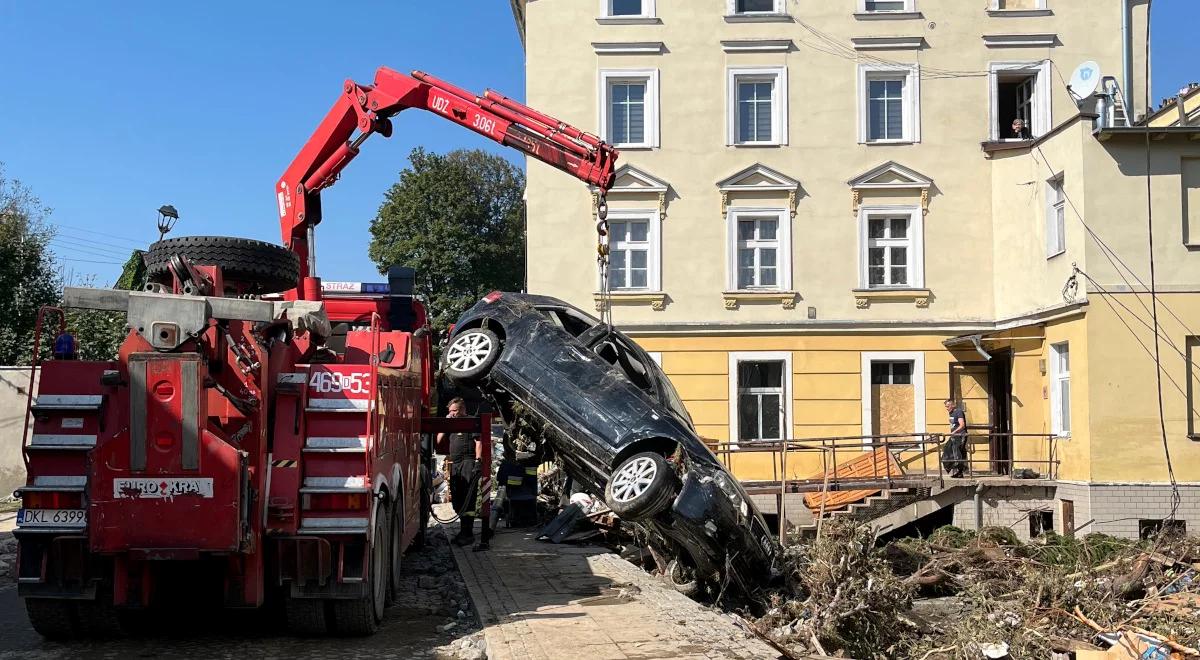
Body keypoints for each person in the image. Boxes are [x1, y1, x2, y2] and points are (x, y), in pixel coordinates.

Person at [438, 397, 481, 546]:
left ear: (462, 409)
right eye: (450, 411)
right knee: (457, 498)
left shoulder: (470, 421)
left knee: (467, 498)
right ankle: (463, 531)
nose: (452, 414)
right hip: (455, 464)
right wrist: (445, 424)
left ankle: (467, 533)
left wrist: (478, 461)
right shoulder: (451, 423)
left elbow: (479, 442)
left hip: (468, 463)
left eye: (455, 411)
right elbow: (438, 440)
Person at [942, 399, 968, 478]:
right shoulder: (951, 413)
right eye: (946, 406)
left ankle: (961, 471)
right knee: (947, 450)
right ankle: (958, 470)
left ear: (953, 405)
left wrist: (954, 432)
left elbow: (962, 425)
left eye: (948, 406)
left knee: (957, 453)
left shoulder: (958, 412)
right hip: (954, 436)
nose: (947, 408)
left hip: (960, 435)